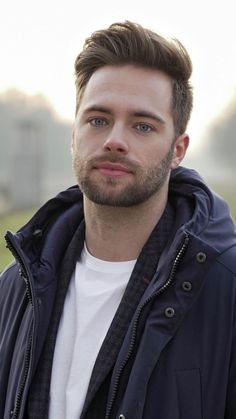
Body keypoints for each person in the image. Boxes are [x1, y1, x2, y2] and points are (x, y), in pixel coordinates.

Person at [0, 20, 236, 419]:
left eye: (143, 125)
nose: (114, 139)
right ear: (74, 135)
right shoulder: (15, 286)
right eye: (98, 119)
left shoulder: (226, 290)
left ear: (178, 150)